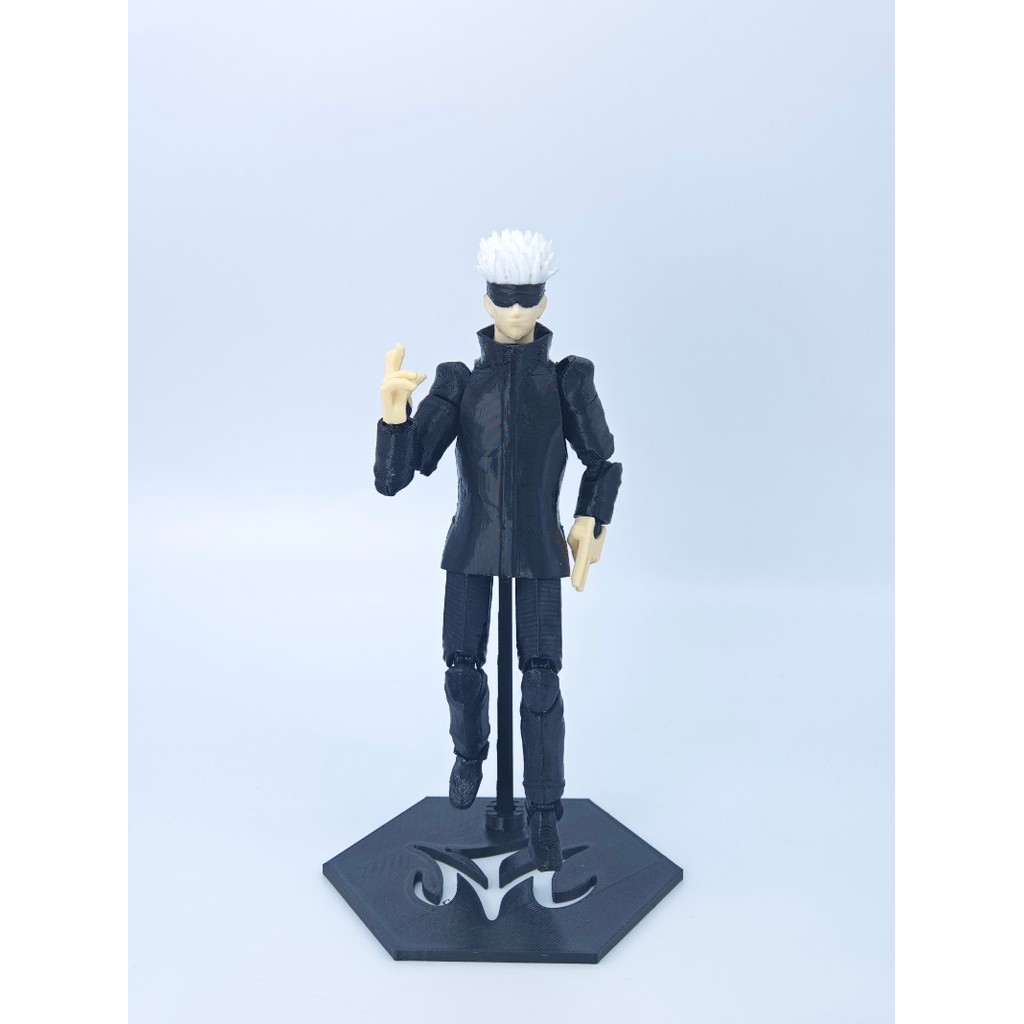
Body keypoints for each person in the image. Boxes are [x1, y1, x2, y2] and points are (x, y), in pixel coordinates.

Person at [373, 230, 622, 869]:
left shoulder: (567, 381)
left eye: (527, 298)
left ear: (543, 301)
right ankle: (469, 756)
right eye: (504, 298)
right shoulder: (460, 383)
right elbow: (398, 476)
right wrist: (395, 415)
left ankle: (542, 808)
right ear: (486, 301)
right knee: (462, 668)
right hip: (472, 546)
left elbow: (603, 460)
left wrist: (591, 519)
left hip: (538, 549)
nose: (515, 311)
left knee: (540, 681)